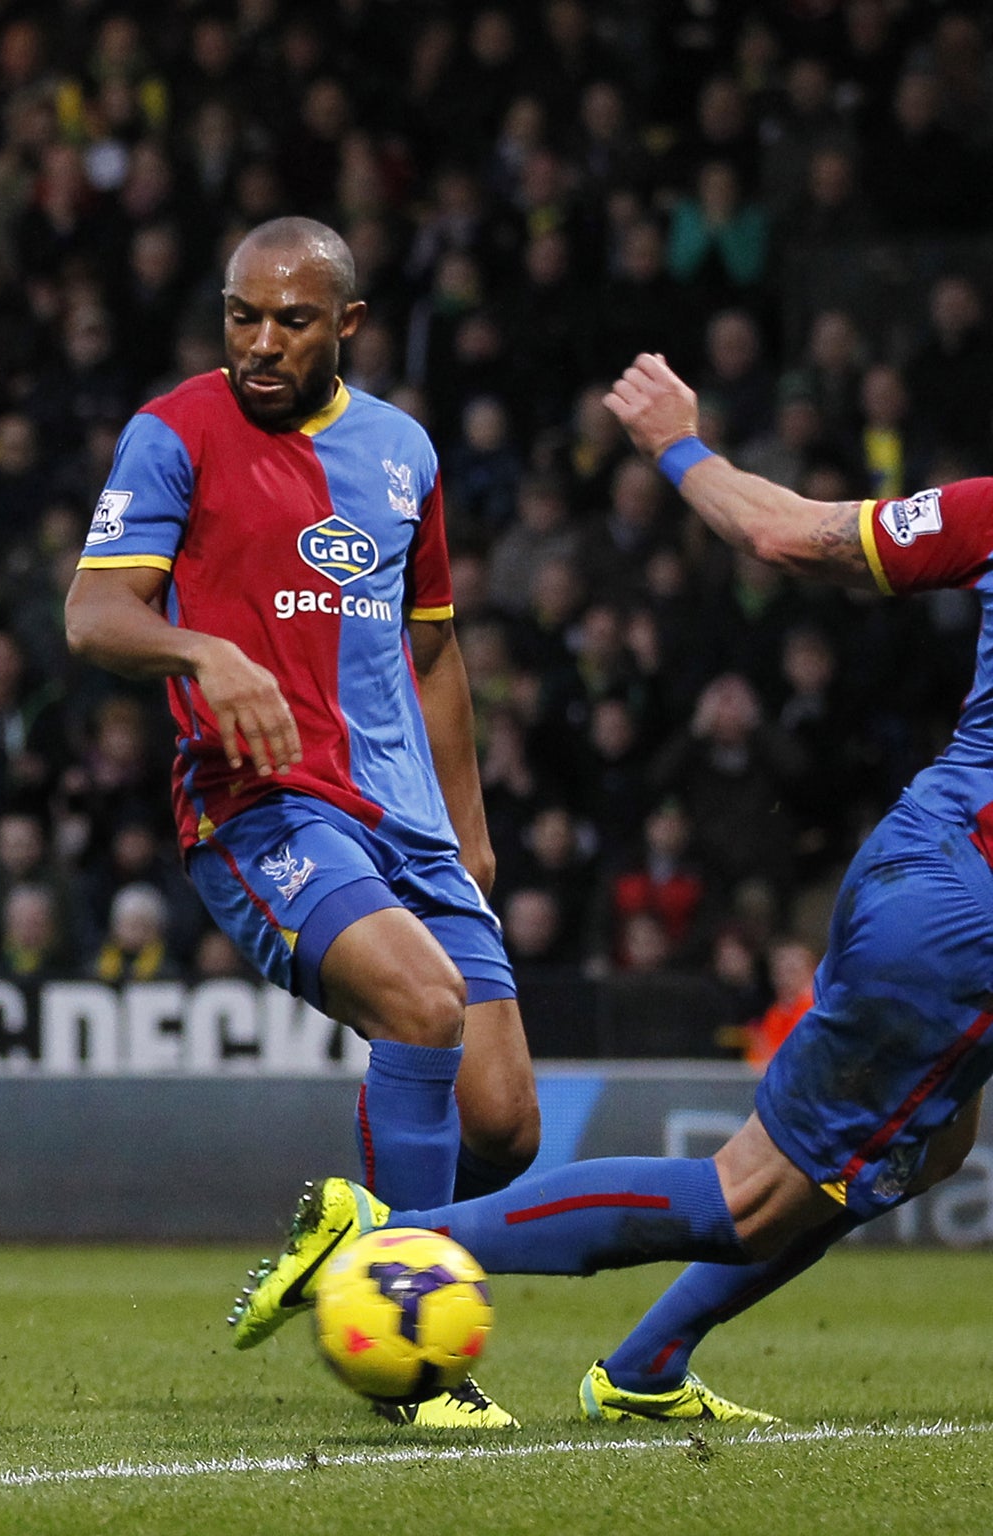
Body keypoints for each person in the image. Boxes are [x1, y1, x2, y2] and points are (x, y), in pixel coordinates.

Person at [239, 350, 993, 1427]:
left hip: (924, 852)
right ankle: (397, 1246)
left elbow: (783, 532)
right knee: (748, 1194)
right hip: (962, 921)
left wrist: (678, 442)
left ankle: (643, 1368)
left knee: (932, 1143)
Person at [64, 216, 539, 1430]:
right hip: (259, 800)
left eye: (289, 320)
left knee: (503, 1127)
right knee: (421, 1006)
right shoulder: (173, 433)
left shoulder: (402, 452)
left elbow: (432, 651)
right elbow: (93, 614)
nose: (259, 343)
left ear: (347, 326)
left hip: (409, 821)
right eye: (240, 317)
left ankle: (359, 1232)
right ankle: (415, 1367)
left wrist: (468, 836)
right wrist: (198, 647)